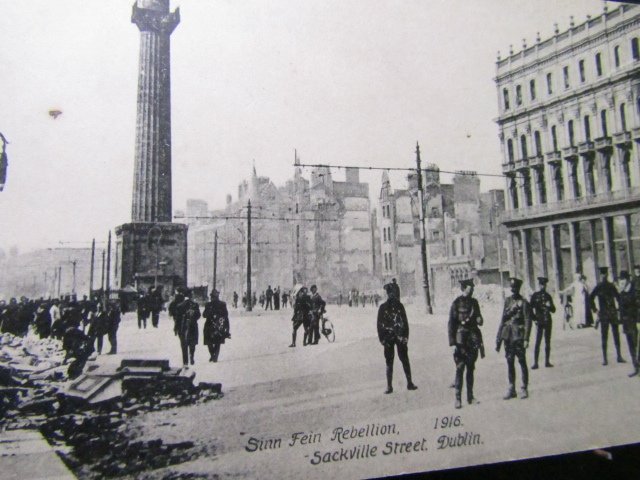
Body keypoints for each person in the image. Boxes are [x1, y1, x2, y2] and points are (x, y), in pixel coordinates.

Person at [448, 279, 484, 409]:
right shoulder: (456, 303)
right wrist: (452, 342)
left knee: (470, 368)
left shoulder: (475, 303)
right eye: (470, 287)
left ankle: (470, 396)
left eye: (473, 287)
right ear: (464, 288)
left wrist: (480, 320)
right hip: (461, 341)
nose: (473, 289)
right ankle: (458, 398)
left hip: (472, 339)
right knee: (460, 368)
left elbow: (479, 318)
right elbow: (451, 323)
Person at [377, 282, 418, 394]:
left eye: (394, 293)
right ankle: (389, 386)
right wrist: (383, 339)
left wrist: (405, 337)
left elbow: (405, 323)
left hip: (400, 338)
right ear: (388, 294)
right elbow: (379, 325)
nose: (392, 296)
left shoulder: (400, 306)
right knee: (389, 362)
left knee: (404, 359)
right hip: (389, 339)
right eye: (391, 293)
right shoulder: (383, 308)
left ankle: (409, 383)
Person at [496, 277, 532, 400]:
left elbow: (528, 321)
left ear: (519, 288)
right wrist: (498, 339)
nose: (513, 290)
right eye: (512, 288)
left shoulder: (524, 303)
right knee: (510, 362)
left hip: (519, 337)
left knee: (522, 362)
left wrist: (526, 339)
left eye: (515, 288)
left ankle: (524, 388)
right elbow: (503, 320)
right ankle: (512, 388)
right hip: (508, 337)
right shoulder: (507, 301)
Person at [590, 266, 625, 366]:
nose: (604, 276)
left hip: (612, 313)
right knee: (604, 336)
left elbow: (618, 298)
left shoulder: (611, 286)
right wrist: (595, 310)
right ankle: (605, 358)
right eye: (602, 274)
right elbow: (590, 298)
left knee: (616, 335)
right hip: (604, 314)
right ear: (601, 275)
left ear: (607, 275)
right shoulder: (599, 286)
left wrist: (619, 309)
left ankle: (619, 356)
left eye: (605, 274)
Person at [530, 277, 556, 369]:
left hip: (548, 321)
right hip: (539, 321)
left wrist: (550, 306)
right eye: (541, 284)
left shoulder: (548, 296)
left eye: (544, 285)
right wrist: (535, 319)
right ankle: (536, 363)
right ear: (539, 285)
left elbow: (554, 310)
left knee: (547, 342)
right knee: (538, 342)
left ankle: (547, 362)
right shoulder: (535, 296)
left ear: (545, 285)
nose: (543, 286)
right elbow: (530, 309)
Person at [618, 271, 638, 377]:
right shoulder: (622, 292)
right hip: (626, 324)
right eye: (620, 280)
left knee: (636, 345)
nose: (621, 282)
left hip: (634, 323)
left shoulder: (633, 291)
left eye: (622, 280)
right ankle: (636, 367)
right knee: (631, 346)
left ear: (627, 280)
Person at [203, 289, 231, 362]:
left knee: (209, 341)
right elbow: (226, 315)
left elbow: (204, 315)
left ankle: (213, 355)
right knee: (217, 342)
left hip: (209, 324)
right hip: (219, 324)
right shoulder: (222, 304)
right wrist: (226, 327)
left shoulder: (208, 305)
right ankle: (214, 356)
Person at [176, 288, 201, 367]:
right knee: (192, 343)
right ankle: (192, 355)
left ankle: (185, 362)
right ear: (190, 295)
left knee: (184, 344)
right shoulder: (195, 305)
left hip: (182, 327)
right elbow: (198, 315)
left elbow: (178, 319)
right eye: (192, 294)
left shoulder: (180, 305)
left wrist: (176, 328)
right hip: (193, 326)